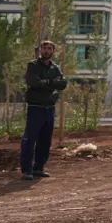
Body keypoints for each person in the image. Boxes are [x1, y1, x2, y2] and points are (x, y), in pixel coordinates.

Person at [22, 41, 68, 181]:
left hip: (49, 108)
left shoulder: (55, 68)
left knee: (45, 140)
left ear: (53, 51)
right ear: (40, 50)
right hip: (36, 107)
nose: (46, 50)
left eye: (49, 48)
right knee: (30, 139)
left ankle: (39, 168)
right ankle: (27, 170)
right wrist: (51, 82)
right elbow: (33, 82)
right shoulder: (33, 66)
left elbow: (63, 84)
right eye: (44, 48)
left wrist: (45, 82)